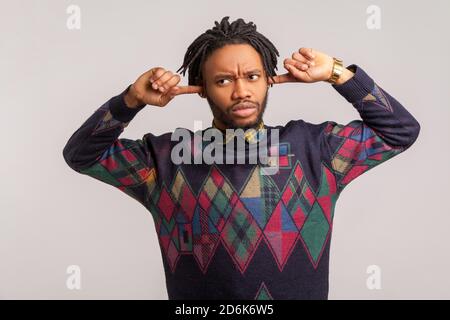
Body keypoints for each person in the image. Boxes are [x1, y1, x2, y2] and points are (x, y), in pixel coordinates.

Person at [62, 16, 420, 300]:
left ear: (270, 80)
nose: (241, 90)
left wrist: (336, 73)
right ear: (200, 89)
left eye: (252, 76)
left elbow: (400, 131)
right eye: (222, 81)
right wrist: (130, 100)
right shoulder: (165, 160)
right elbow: (81, 155)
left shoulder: (316, 149)